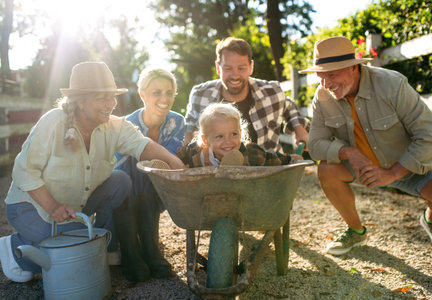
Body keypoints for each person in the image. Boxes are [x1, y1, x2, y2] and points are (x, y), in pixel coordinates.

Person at [0, 62, 185, 283]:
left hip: (74, 207)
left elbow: (142, 145)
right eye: (102, 98)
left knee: (120, 181)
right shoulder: (53, 123)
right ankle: (13, 250)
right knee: (74, 250)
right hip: (32, 206)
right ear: (80, 101)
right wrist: (53, 206)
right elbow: (24, 173)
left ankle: (93, 245)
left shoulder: (113, 126)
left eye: (112, 96)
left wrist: (175, 163)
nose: (111, 104)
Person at [301, 36, 432, 255]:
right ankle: (355, 231)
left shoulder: (392, 84)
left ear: (353, 67)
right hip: (364, 170)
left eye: (331, 74)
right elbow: (314, 145)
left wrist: (392, 173)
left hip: (410, 167)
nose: (326, 84)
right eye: (320, 76)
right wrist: (348, 152)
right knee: (326, 169)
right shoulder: (322, 96)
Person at [114, 67, 185, 281]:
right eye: (156, 92)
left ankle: (151, 249)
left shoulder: (176, 122)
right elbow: (119, 165)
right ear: (142, 94)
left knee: (148, 177)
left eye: (169, 92)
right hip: (123, 190)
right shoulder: (125, 125)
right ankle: (130, 252)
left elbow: (166, 162)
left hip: (156, 188)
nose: (164, 98)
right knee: (129, 176)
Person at [184, 37, 309, 154]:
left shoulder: (271, 92)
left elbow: (288, 106)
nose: (235, 75)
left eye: (241, 68)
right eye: (228, 68)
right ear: (218, 68)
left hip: (269, 170)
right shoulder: (200, 95)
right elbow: (188, 132)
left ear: (251, 67)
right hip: (217, 172)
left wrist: (299, 129)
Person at [178, 103, 301, 167]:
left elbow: (272, 160)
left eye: (233, 134)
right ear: (205, 140)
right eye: (220, 136)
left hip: (241, 197)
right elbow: (178, 159)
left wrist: (290, 159)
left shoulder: (251, 151)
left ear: (240, 133)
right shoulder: (194, 152)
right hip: (206, 199)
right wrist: (167, 165)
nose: (228, 141)